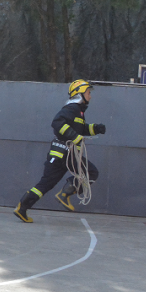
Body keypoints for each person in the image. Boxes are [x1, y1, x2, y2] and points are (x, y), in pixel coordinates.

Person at [14, 80, 105, 223]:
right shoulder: (73, 108)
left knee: (46, 184)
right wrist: (74, 137)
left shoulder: (78, 111)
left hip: (59, 155)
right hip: (68, 154)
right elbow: (57, 123)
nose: (90, 96)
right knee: (91, 172)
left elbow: (80, 129)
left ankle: (22, 208)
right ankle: (64, 194)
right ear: (80, 93)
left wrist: (96, 128)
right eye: (88, 93)